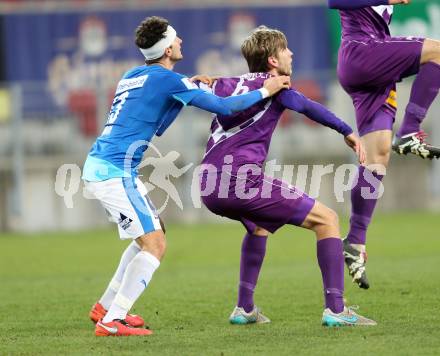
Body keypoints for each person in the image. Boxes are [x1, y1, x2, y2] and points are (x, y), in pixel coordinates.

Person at [82, 16, 290, 337]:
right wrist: (266, 89)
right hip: (113, 171)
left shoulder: (134, 75)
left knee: (153, 233)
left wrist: (185, 92)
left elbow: (159, 124)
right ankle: (113, 320)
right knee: (155, 244)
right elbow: (225, 108)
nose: (181, 43)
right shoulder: (169, 81)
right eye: (176, 39)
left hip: (105, 164)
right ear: (166, 48)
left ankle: (106, 307)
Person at [199, 26, 376, 327]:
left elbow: (199, 89)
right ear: (272, 60)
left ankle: (244, 308)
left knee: (258, 228)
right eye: (285, 50)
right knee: (328, 219)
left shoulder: (228, 83)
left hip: (207, 183)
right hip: (239, 179)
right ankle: (336, 310)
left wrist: (197, 80)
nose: (291, 54)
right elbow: (307, 106)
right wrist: (347, 131)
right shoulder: (276, 86)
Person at [328, 0, 440, 289]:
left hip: (370, 70)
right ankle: (411, 128)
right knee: (437, 51)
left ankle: (355, 240)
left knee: (376, 159)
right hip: (362, 52)